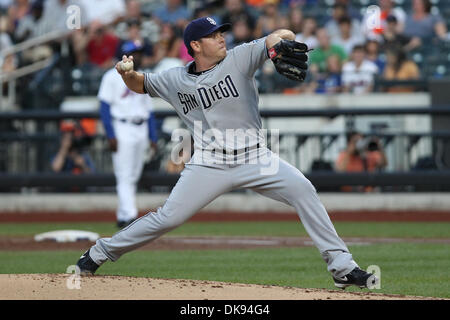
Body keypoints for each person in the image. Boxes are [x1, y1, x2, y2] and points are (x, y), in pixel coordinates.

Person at [76, 16, 379, 290]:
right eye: (213, 35)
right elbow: (140, 83)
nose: (221, 38)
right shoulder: (174, 79)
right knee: (167, 218)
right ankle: (97, 254)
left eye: (221, 33)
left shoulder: (239, 58)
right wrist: (125, 72)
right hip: (209, 161)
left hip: (254, 156)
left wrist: (278, 47)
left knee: (304, 190)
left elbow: (279, 33)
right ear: (195, 45)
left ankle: (342, 267)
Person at [97, 40, 158, 229]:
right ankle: (130, 216)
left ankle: (123, 216)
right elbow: (104, 107)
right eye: (134, 52)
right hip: (122, 126)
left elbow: (149, 112)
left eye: (139, 52)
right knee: (124, 175)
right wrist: (110, 134)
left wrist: (153, 137)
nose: (138, 56)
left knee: (133, 175)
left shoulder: (142, 77)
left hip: (140, 128)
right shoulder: (111, 77)